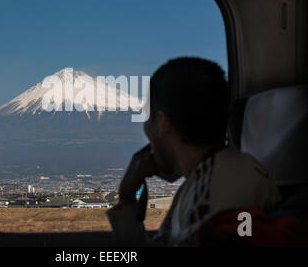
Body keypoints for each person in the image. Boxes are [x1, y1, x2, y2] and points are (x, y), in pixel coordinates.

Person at [106, 57, 282, 246]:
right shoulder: (210, 177)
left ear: (162, 123)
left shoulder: (212, 193)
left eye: (147, 118)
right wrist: (127, 199)